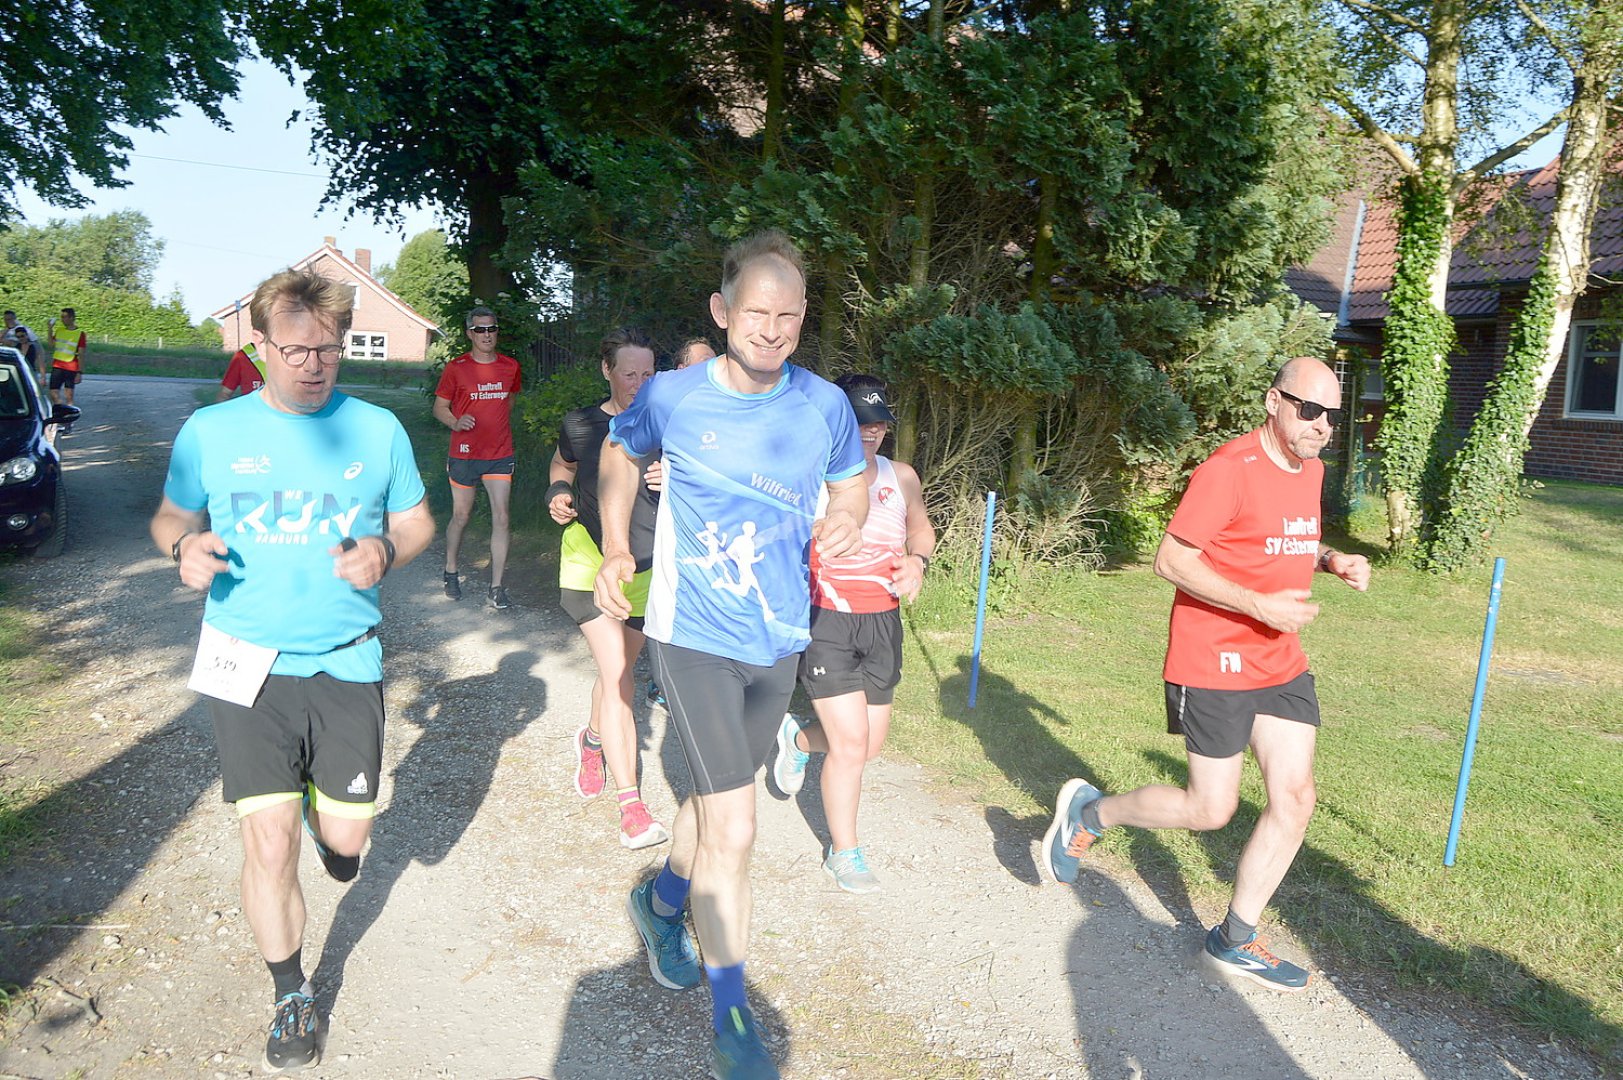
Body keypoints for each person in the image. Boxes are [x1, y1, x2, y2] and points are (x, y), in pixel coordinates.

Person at [594, 230, 867, 1079]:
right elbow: (617, 450)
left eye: (788, 316)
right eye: (756, 313)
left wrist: (849, 514)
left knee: (719, 804)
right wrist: (613, 544)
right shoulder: (673, 396)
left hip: (777, 636)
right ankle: (734, 1019)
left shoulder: (823, 404)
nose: (772, 329)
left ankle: (662, 899)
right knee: (738, 827)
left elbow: (852, 478)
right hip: (692, 632)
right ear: (722, 311)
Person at [148, 269, 434, 1071]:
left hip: (348, 660)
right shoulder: (213, 430)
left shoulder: (376, 430)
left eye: (331, 351)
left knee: (346, 841)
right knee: (266, 844)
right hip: (247, 660)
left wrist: (388, 548)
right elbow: (171, 513)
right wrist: (183, 545)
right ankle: (289, 993)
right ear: (260, 346)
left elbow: (416, 520)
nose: (314, 365)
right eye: (298, 349)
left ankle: (328, 816)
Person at [1042, 356, 1371, 993]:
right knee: (1209, 809)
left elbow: (1285, 540)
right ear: (1275, 401)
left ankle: (1236, 938)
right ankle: (1090, 815)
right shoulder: (1227, 471)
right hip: (1213, 657)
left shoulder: (1311, 471)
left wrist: (1332, 559)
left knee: (1295, 798)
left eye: (1332, 414)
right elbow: (1170, 560)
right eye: (1310, 410)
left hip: (1278, 659)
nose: (1323, 425)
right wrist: (1259, 605)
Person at [772, 374, 935, 894]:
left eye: (879, 423)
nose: (871, 432)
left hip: (883, 620)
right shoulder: (808, 474)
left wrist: (918, 561)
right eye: (860, 422)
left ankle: (798, 738)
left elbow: (920, 526)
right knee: (850, 746)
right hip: (827, 618)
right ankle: (845, 852)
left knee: (869, 744)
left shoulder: (900, 475)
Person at [547, 327, 669, 850]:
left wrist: (676, 477)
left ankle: (592, 739)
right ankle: (631, 806)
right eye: (628, 373)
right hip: (587, 561)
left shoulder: (671, 425)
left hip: (646, 566)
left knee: (618, 670)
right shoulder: (582, 423)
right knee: (618, 673)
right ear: (607, 371)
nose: (638, 383)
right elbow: (562, 465)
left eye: (648, 374)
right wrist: (558, 491)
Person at [433, 306, 521, 609]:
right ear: (470, 333)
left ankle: (497, 587)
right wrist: (456, 423)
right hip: (464, 453)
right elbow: (439, 408)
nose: (487, 334)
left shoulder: (510, 366)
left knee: (502, 516)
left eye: (492, 328)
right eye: (480, 329)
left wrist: (492, 425)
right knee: (461, 516)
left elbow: (509, 400)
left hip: (499, 453)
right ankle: (451, 570)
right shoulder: (456, 367)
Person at [46, 307, 85, 428]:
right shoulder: (59, 330)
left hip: (71, 367)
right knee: (53, 392)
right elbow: (51, 344)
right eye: (61, 317)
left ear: (72, 318)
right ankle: (61, 414)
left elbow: (82, 354)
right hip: (57, 365)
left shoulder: (80, 334)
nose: (62, 319)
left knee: (69, 395)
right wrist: (49, 329)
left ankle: (68, 422)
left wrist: (80, 371)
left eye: (65, 317)